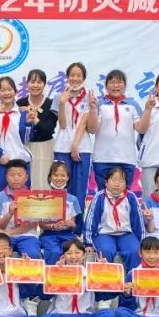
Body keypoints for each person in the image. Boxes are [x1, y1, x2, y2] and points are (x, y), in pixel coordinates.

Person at [40, 238, 116, 317]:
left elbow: (105, 295)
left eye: (77, 252)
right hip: (61, 316)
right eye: (69, 253)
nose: (73, 257)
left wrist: (103, 272)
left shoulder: (90, 274)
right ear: (63, 256)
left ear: (84, 255)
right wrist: (53, 275)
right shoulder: (57, 273)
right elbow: (44, 296)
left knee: (110, 314)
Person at [53, 62, 93, 231]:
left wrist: (75, 145)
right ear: (67, 77)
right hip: (62, 147)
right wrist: (62, 103)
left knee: (79, 190)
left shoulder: (89, 97)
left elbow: (84, 123)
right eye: (72, 75)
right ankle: (57, 226)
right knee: (60, 187)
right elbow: (62, 124)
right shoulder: (59, 96)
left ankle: (76, 229)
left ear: (83, 78)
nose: (75, 78)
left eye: (79, 75)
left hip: (82, 147)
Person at [87, 69, 142, 191]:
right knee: (103, 194)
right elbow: (92, 129)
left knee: (124, 195)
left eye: (119, 82)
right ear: (106, 86)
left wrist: (148, 109)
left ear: (125, 86)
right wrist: (93, 109)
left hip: (126, 158)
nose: (116, 85)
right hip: (102, 159)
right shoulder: (99, 103)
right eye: (112, 82)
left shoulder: (132, 104)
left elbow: (141, 128)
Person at [83, 166, 145, 271]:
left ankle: (131, 279)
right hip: (104, 234)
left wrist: (142, 242)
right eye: (113, 180)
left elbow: (138, 221)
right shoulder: (99, 197)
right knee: (106, 251)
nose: (117, 184)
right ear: (106, 182)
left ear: (125, 184)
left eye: (121, 181)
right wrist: (88, 242)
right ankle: (108, 280)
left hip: (126, 234)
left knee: (134, 251)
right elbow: (91, 220)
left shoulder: (131, 197)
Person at [0, 76, 32, 195]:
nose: (6, 93)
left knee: (22, 199)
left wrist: (28, 124)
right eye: (3, 90)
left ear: (15, 91)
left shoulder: (22, 113)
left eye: (10, 89)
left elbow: (26, 139)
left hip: (20, 162)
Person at [0, 159, 41, 260]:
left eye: (19, 175)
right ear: (6, 177)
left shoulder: (33, 196)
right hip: (4, 237)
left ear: (26, 177)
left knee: (32, 254)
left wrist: (8, 233)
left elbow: (31, 224)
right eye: (12, 175)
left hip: (27, 236)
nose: (16, 178)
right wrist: (9, 214)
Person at [18, 68, 58, 190]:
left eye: (39, 82)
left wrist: (34, 118)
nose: (35, 85)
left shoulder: (51, 104)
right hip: (25, 147)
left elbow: (49, 130)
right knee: (26, 182)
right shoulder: (20, 103)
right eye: (32, 82)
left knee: (44, 182)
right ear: (27, 84)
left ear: (44, 84)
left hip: (45, 148)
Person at [38, 161, 83, 266]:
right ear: (50, 177)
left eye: (63, 175)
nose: (59, 178)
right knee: (53, 252)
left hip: (67, 234)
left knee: (70, 251)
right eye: (56, 175)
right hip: (48, 235)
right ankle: (52, 275)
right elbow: (40, 224)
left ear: (67, 178)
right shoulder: (43, 197)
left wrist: (69, 223)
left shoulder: (73, 199)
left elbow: (74, 225)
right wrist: (51, 226)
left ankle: (69, 275)